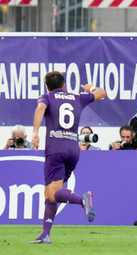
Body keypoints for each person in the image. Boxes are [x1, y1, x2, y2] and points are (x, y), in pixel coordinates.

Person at [29, 71, 106, 244]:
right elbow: (102, 93)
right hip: (73, 150)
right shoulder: (77, 97)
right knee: (50, 193)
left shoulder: (47, 97)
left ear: (47, 87)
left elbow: (40, 108)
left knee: (52, 192)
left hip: (55, 149)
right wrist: (90, 88)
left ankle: (82, 199)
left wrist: (35, 133)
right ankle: (45, 234)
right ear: (64, 85)